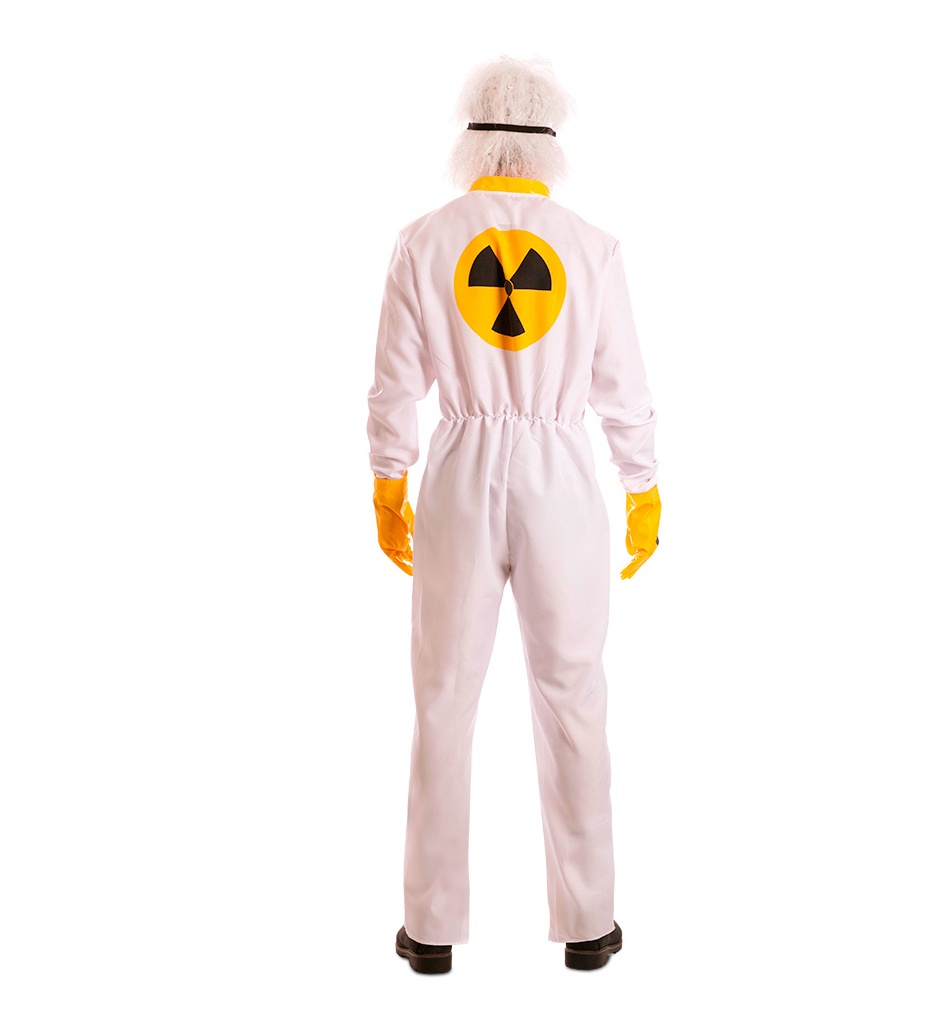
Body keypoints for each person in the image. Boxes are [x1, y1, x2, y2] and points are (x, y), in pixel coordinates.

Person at [367, 56, 661, 974]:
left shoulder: (423, 240)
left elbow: (394, 384)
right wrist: (642, 483)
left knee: (442, 695)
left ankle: (429, 928)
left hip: (457, 469)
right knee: (572, 691)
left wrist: (387, 480)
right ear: (548, 142)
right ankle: (588, 922)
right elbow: (622, 385)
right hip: (561, 476)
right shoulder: (589, 246)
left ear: (471, 137)